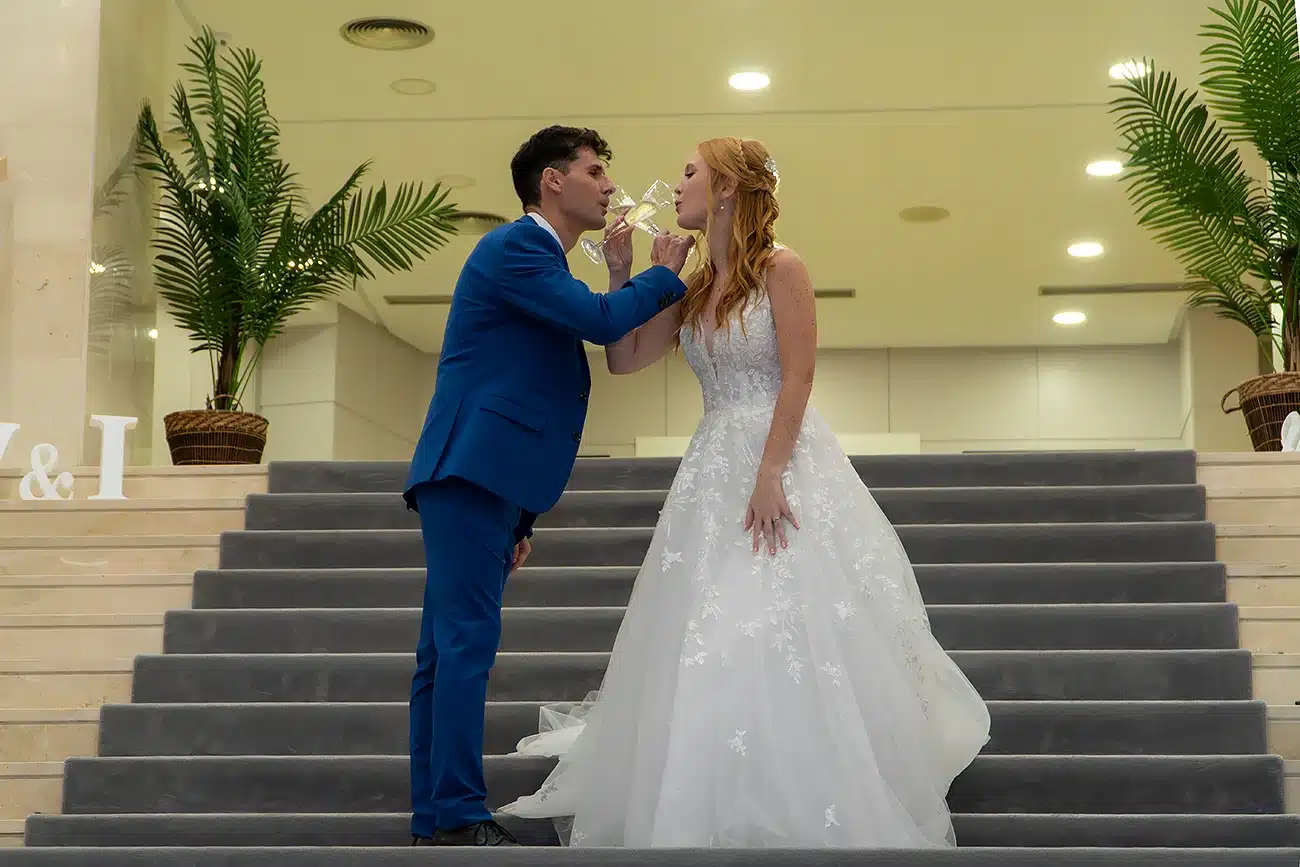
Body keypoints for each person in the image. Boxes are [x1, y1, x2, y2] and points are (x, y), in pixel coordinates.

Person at [497, 136, 991, 848]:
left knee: (776, 612)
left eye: (690, 173)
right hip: (711, 467)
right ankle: (719, 781)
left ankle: (800, 779)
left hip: (777, 458)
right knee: (712, 625)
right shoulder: (694, 285)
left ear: (727, 188)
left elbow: (798, 374)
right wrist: (622, 272)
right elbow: (625, 360)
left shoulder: (783, 267)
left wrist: (770, 472)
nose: (676, 186)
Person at [401, 124, 696, 847]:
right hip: (469, 470)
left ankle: (436, 818)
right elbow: (598, 321)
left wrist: (521, 518)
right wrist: (665, 274)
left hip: (485, 479)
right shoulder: (519, 246)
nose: (609, 185)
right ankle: (457, 815)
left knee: (445, 652)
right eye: (594, 171)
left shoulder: (541, 263)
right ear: (552, 181)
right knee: (463, 646)